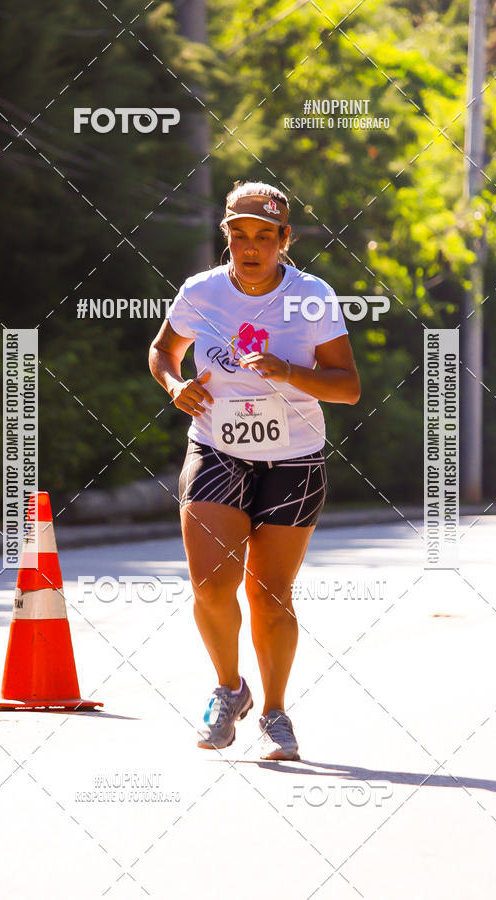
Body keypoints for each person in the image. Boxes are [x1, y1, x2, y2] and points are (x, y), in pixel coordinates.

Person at [148, 181, 360, 760]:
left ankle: (273, 712)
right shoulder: (202, 292)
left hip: (294, 458)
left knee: (270, 596)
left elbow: (348, 387)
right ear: (227, 237)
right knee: (212, 587)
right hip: (218, 448)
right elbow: (164, 350)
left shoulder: (312, 296)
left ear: (284, 240)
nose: (251, 246)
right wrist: (175, 384)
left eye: (264, 236)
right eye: (239, 235)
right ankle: (228, 688)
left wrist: (289, 370)